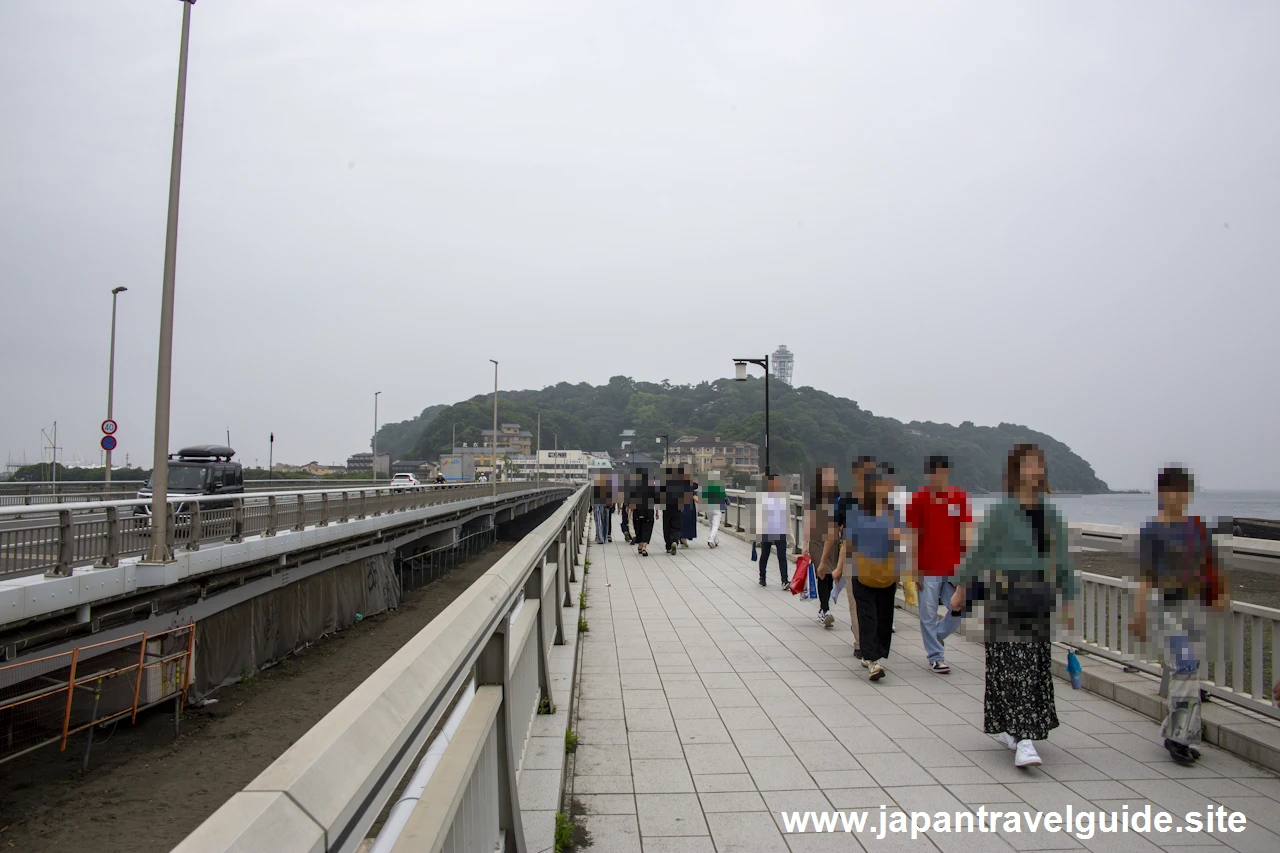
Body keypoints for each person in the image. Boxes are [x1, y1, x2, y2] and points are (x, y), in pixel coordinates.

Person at [951, 444, 1076, 768]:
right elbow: (980, 554)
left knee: (1032, 669)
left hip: (1038, 601)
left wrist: (1069, 598)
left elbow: (1061, 559)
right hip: (1006, 601)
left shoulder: (1050, 514)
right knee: (1009, 668)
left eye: (1039, 465)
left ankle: (1015, 729)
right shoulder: (1002, 512)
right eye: (1029, 465)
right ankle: (1023, 739)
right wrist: (962, 588)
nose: (1035, 470)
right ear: (1016, 471)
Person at [1129, 467, 1228, 764]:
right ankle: (1177, 738)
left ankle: (1183, 734)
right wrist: (1140, 612)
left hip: (1195, 606)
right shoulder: (1153, 531)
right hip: (1168, 606)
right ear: (1161, 493)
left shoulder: (1198, 527)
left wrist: (1219, 594)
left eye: (1184, 490)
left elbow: (1212, 565)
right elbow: (1145, 576)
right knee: (1184, 666)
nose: (1178, 496)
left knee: (1189, 671)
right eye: (1172, 490)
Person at [907, 455, 972, 674]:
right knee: (928, 613)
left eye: (942, 472)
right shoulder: (918, 499)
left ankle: (936, 637)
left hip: (953, 568)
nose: (938, 477)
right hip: (927, 567)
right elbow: (913, 534)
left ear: (947, 473)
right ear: (928, 475)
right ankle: (936, 656)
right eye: (934, 473)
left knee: (960, 607)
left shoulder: (959, 498)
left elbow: (965, 533)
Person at [847, 466, 904, 682]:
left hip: (887, 572)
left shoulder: (893, 513)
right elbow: (851, 542)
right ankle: (872, 660)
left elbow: (899, 543)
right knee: (868, 616)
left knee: (883, 617)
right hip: (862, 571)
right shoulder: (857, 512)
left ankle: (874, 653)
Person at [836, 456, 877, 660]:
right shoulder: (846, 500)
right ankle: (861, 644)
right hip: (853, 557)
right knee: (855, 602)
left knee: (876, 605)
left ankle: (871, 641)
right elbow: (840, 530)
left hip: (879, 559)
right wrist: (838, 564)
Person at [806, 465, 843, 628]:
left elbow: (842, 519)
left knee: (829, 574)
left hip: (833, 540)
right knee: (822, 572)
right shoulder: (814, 497)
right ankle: (825, 609)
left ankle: (823, 607)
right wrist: (804, 544)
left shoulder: (838, 497)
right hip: (816, 539)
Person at [757, 474, 790, 587]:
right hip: (767, 529)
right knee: (765, 554)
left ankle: (784, 580)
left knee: (782, 556)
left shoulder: (782, 496)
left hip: (780, 529)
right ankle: (762, 577)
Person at [629, 468, 656, 557]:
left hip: (637, 510)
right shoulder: (651, 487)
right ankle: (644, 547)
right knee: (647, 528)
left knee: (638, 527)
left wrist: (629, 509)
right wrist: (658, 512)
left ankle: (640, 544)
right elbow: (656, 499)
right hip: (649, 510)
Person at [702, 471, 727, 548]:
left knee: (711, 524)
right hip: (717, 508)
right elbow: (724, 497)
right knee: (715, 525)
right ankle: (710, 540)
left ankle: (716, 541)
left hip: (709, 508)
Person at [592, 471, 612, 544]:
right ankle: (604, 536)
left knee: (599, 521)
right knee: (605, 521)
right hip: (605, 505)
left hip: (597, 505)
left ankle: (600, 538)